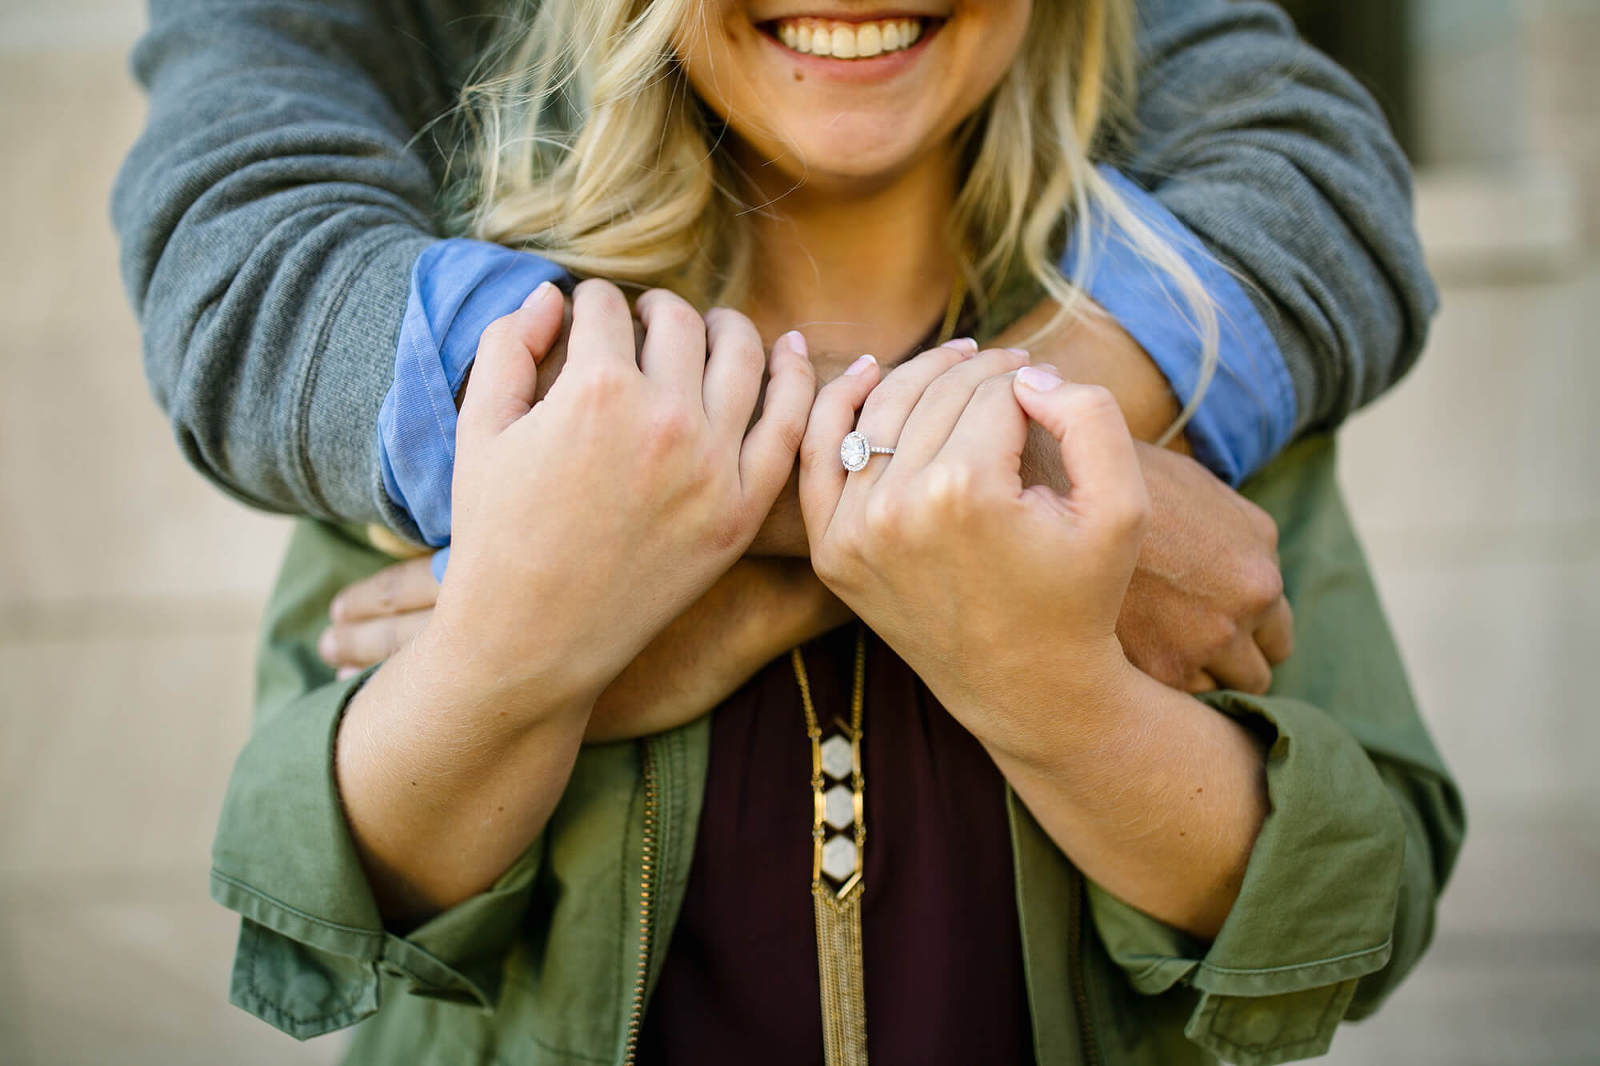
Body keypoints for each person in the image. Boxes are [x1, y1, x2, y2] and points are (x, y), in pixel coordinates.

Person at [192, 2, 1463, 1065]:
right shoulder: (498, 390)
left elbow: (1361, 905)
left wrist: (1046, 685)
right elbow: (312, 891)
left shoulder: (1196, 355)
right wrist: (521, 660)